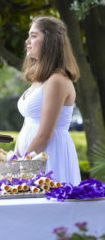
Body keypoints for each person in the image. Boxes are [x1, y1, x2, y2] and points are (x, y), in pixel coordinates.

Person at [14, 16, 81, 186]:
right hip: (31, 156)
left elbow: (44, 135)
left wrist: (20, 167)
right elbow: (28, 122)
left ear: (49, 41)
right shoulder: (40, 80)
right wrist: (16, 155)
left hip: (49, 155)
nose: (27, 41)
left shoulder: (57, 80)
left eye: (34, 36)